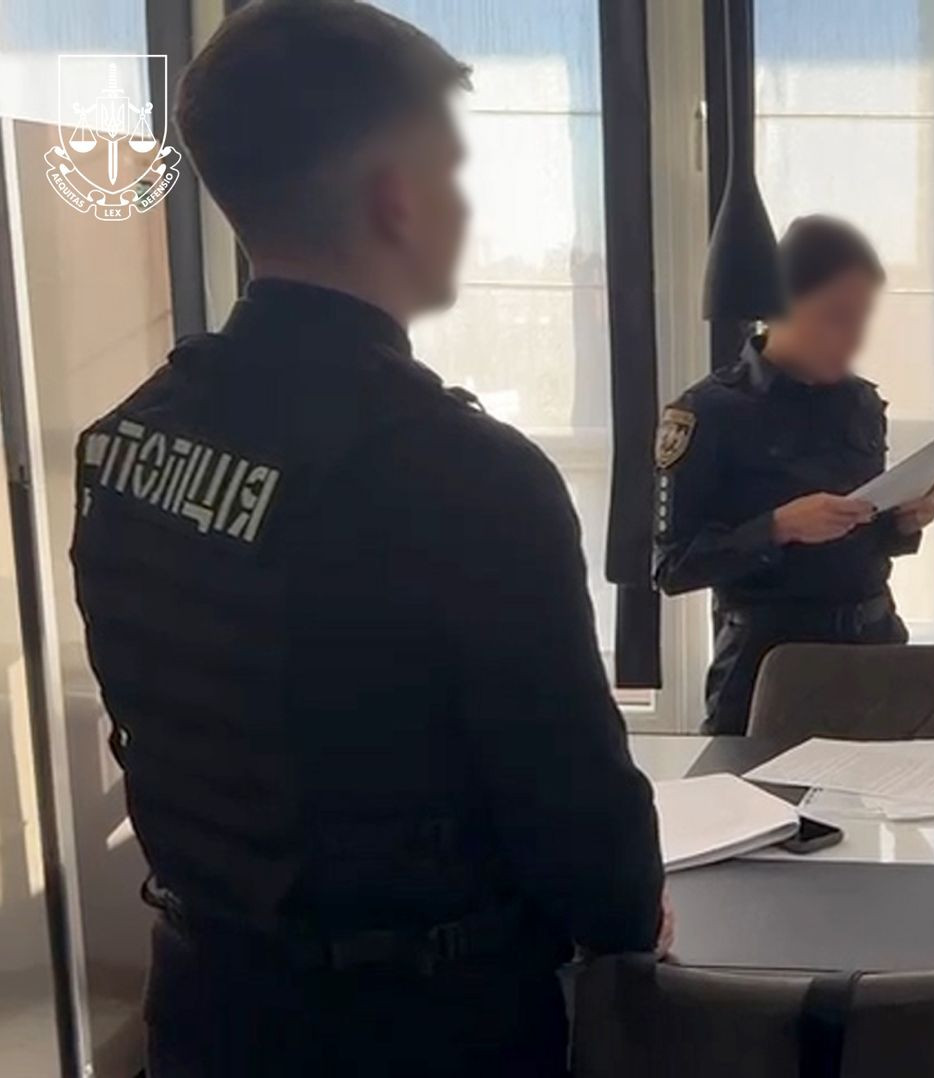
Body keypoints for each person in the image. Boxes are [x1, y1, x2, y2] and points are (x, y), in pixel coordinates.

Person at [69, 3, 665, 1075]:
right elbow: (589, 844)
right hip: (419, 1032)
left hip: (205, 1014)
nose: (463, 204)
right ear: (396, 195)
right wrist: (629, 909)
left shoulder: (124, 441)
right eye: (451, 171)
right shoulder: (466, 478)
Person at [654, 216, 934, 735]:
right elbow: (672, 567)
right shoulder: (706, 413)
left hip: (875, 648)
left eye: (861, 319)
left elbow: (865, 536)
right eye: (835, 317)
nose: (852, 338)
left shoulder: (861, 402)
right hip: (767, 665)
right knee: (756, 790)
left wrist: (904, 519)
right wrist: (778, 527)